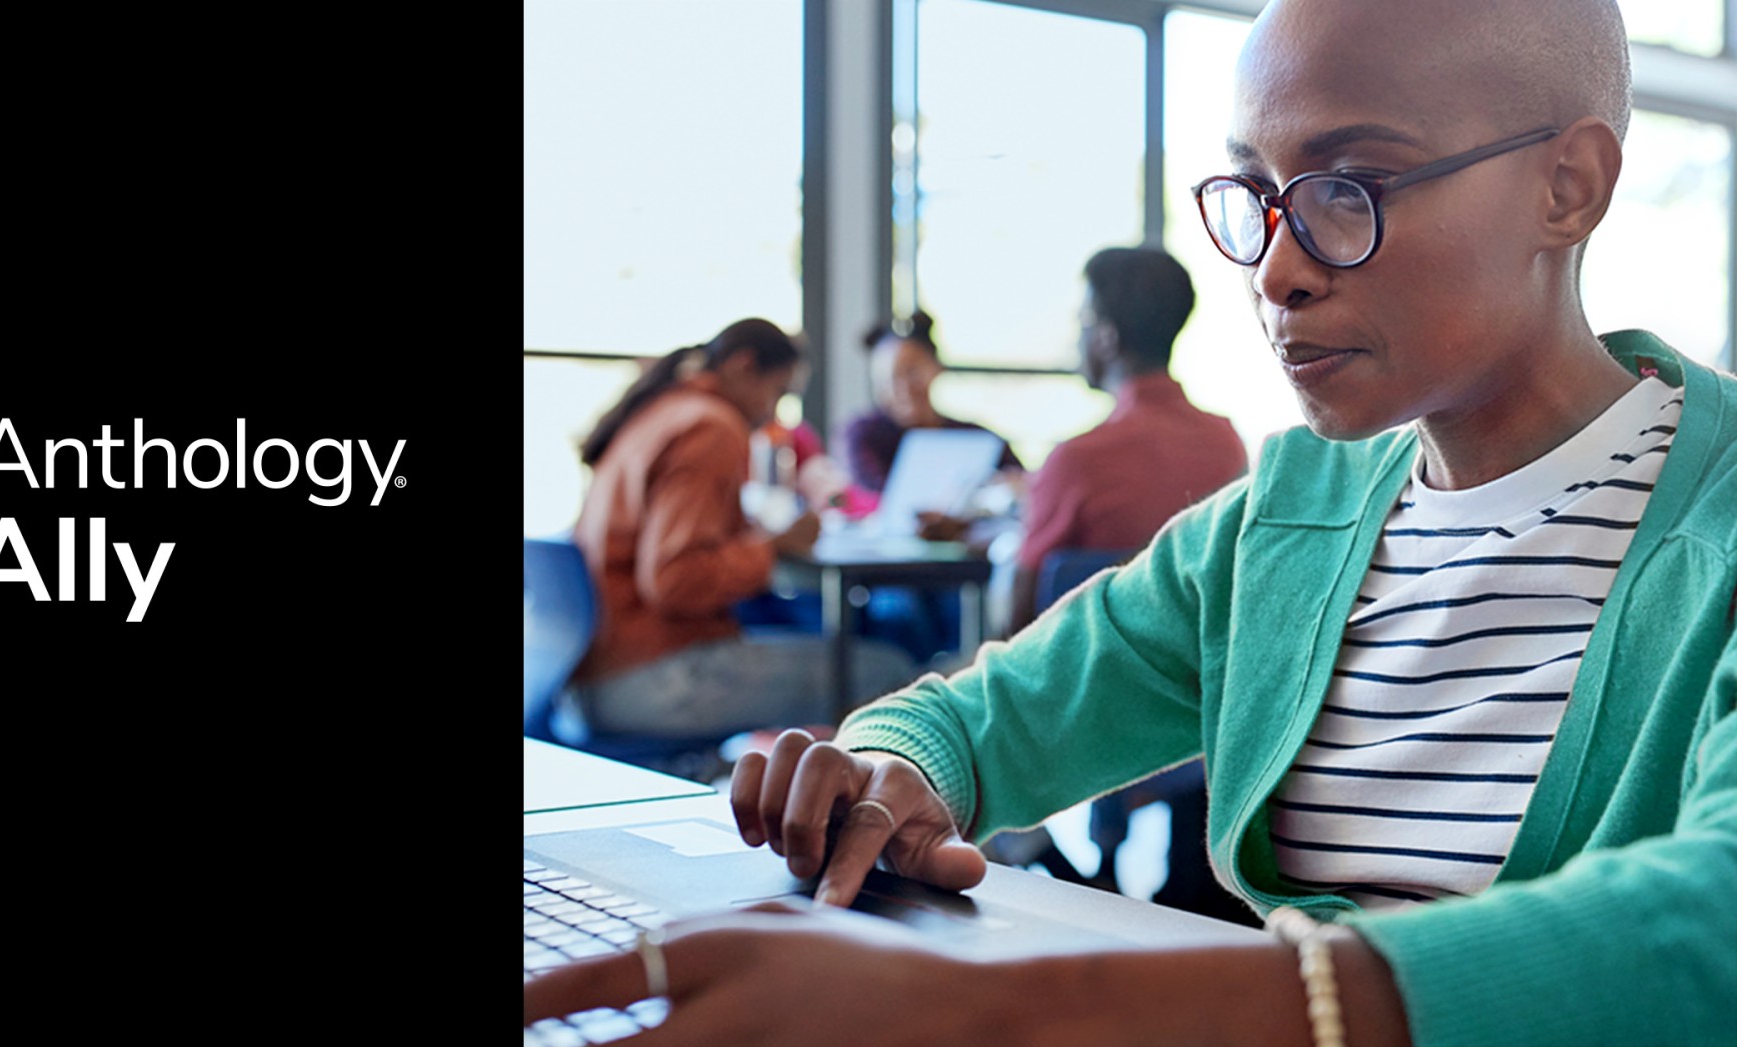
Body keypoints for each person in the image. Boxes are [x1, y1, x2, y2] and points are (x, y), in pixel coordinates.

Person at [527, 1, 1735, 1044]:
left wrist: (1024, 1011)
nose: (1273, 272)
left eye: (1346, 189)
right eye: (1255, 198)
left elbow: (1702, 926)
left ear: (1564, 187)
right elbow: (985, 710)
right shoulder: (1289, 519)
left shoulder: (1713, 516)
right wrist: (895, 772)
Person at [564, 318, 917, 740]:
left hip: (590, 676)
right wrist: (773, 546)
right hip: (649, 676)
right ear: (742, 366)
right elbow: (674, 579)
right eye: (778, 392)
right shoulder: (711, 426)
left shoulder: (658, 411)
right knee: (889, 671)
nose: (773, 413)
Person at [1009, 245, 1250, 635]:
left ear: (1106, 336)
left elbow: (1019, 624)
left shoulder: (1076, 459)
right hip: (1196, 675)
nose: (1077, 338)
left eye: (1082, 322)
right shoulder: (1226, 443)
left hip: (1084, 675)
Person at [837, 310, 1024, 509]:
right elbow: (875, 499)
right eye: (888, 379)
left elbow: (1024, 485)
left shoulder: (976, 437)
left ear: (936, 368)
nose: (902, 388)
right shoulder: (863, 435)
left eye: (912, 372)